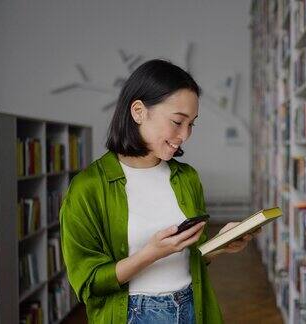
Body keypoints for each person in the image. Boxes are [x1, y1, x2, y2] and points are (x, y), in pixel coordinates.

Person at [60, 59, 254, 324]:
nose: (185, 135)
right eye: (177, 122)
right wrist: (151, 253)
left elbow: (190, 258)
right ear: (139, 111)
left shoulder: (186, 178)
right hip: (134, 315)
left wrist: (220, 245)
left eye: (192, 124)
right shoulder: (88, 188)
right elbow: (88, 283)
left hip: (191, 309)